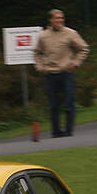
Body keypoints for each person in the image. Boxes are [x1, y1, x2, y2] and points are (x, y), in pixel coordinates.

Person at [34, 9, 90, 138]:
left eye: (61, 18)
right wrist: (40, 66)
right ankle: (56, 131)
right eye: (57, 18)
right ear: (51, 20)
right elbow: (37, 52)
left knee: (69, 102)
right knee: (54, 105)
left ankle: (69, 131)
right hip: (51, 74)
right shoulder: (43, 36)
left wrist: (75, 63)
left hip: (66, 73)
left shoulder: (70, 33)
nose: (60, 20)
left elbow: (84, 49)